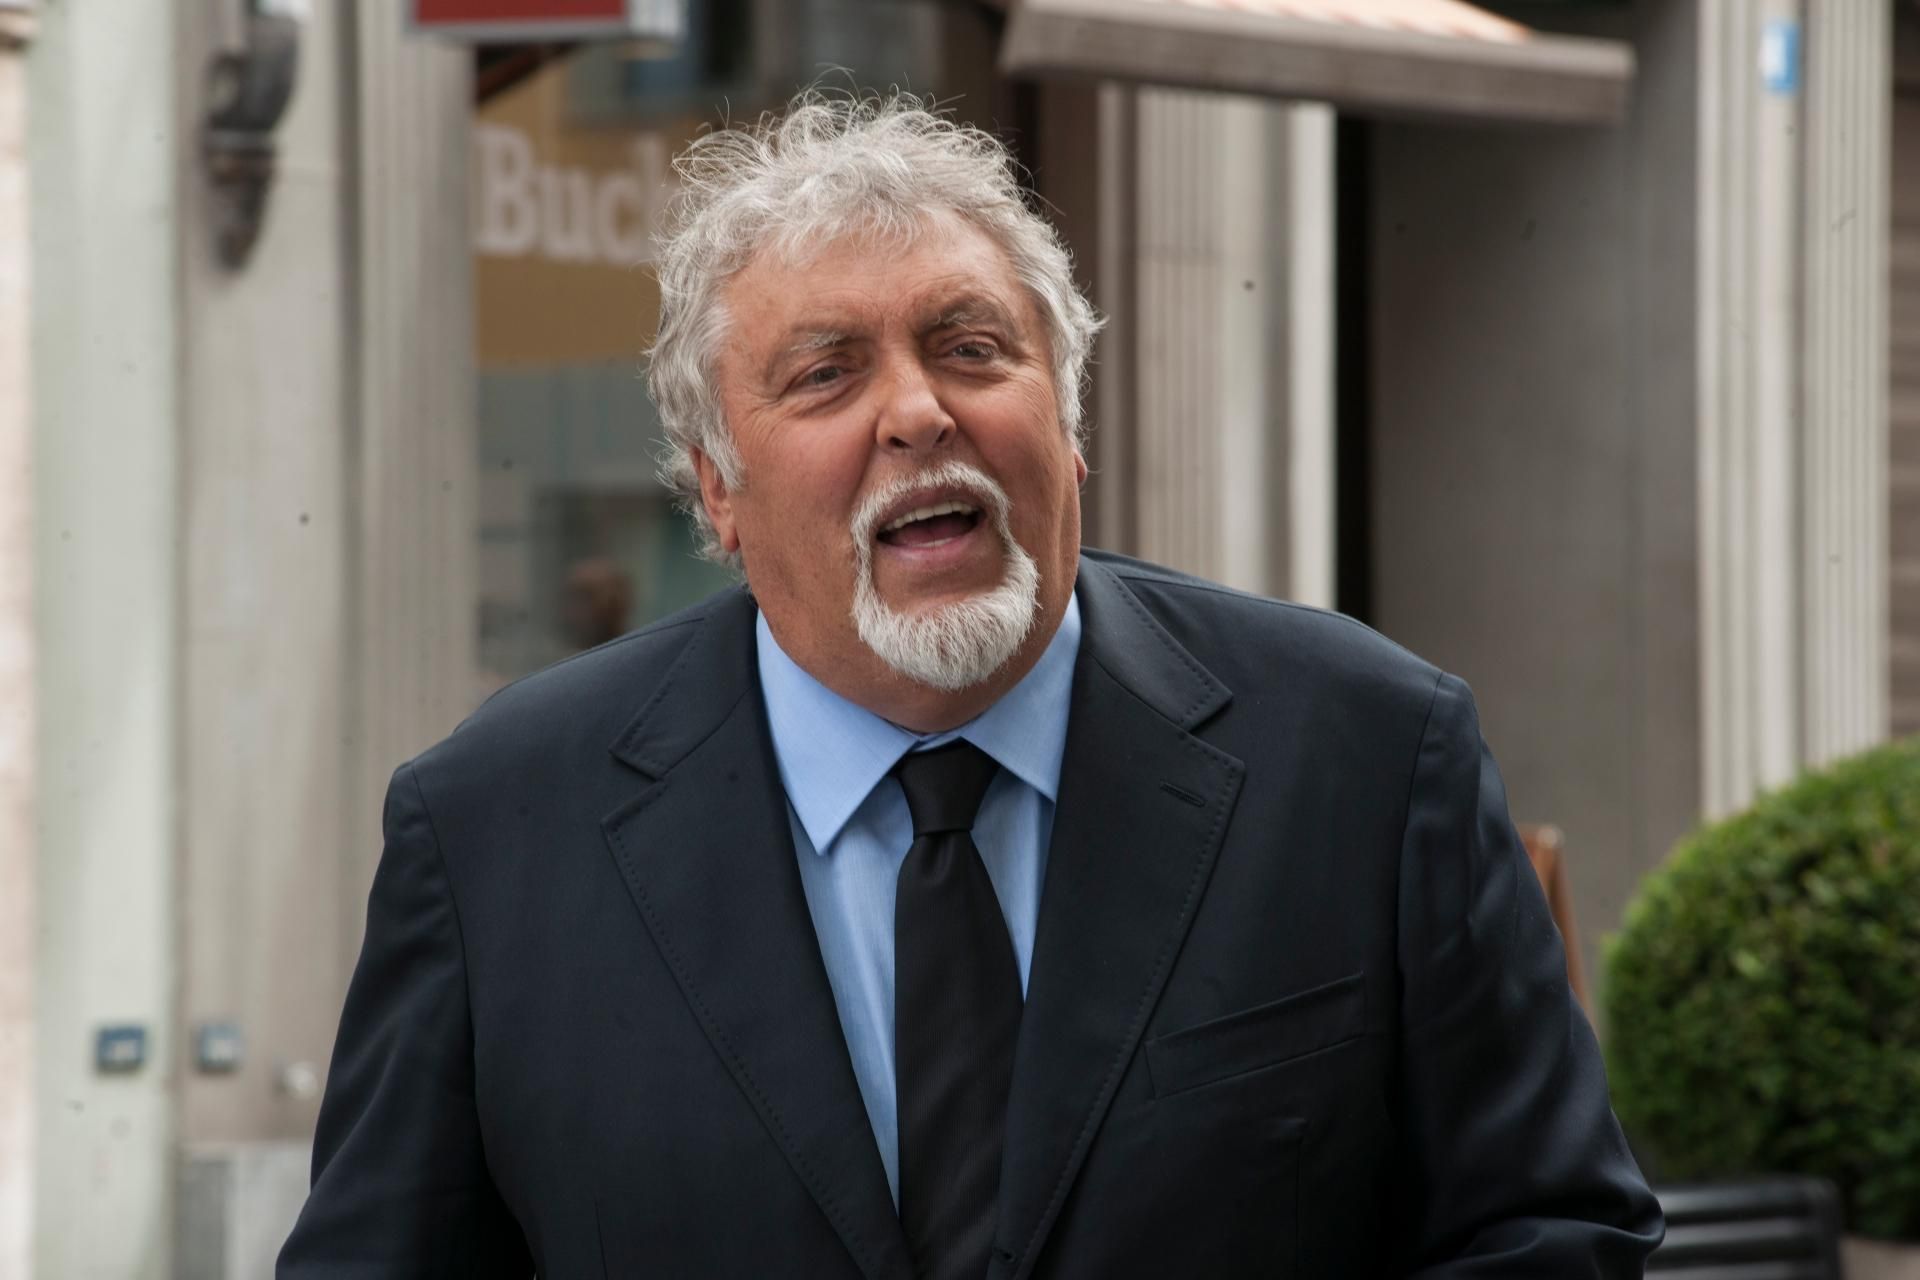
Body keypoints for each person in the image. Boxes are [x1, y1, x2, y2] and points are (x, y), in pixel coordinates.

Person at [279, 91, 1662, 1279]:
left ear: (1066, 419)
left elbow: (1550, 1234)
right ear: (718, 491)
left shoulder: (1368, 752)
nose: (919, 411)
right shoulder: (497, 830)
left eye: (971, 348)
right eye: (826, 374)